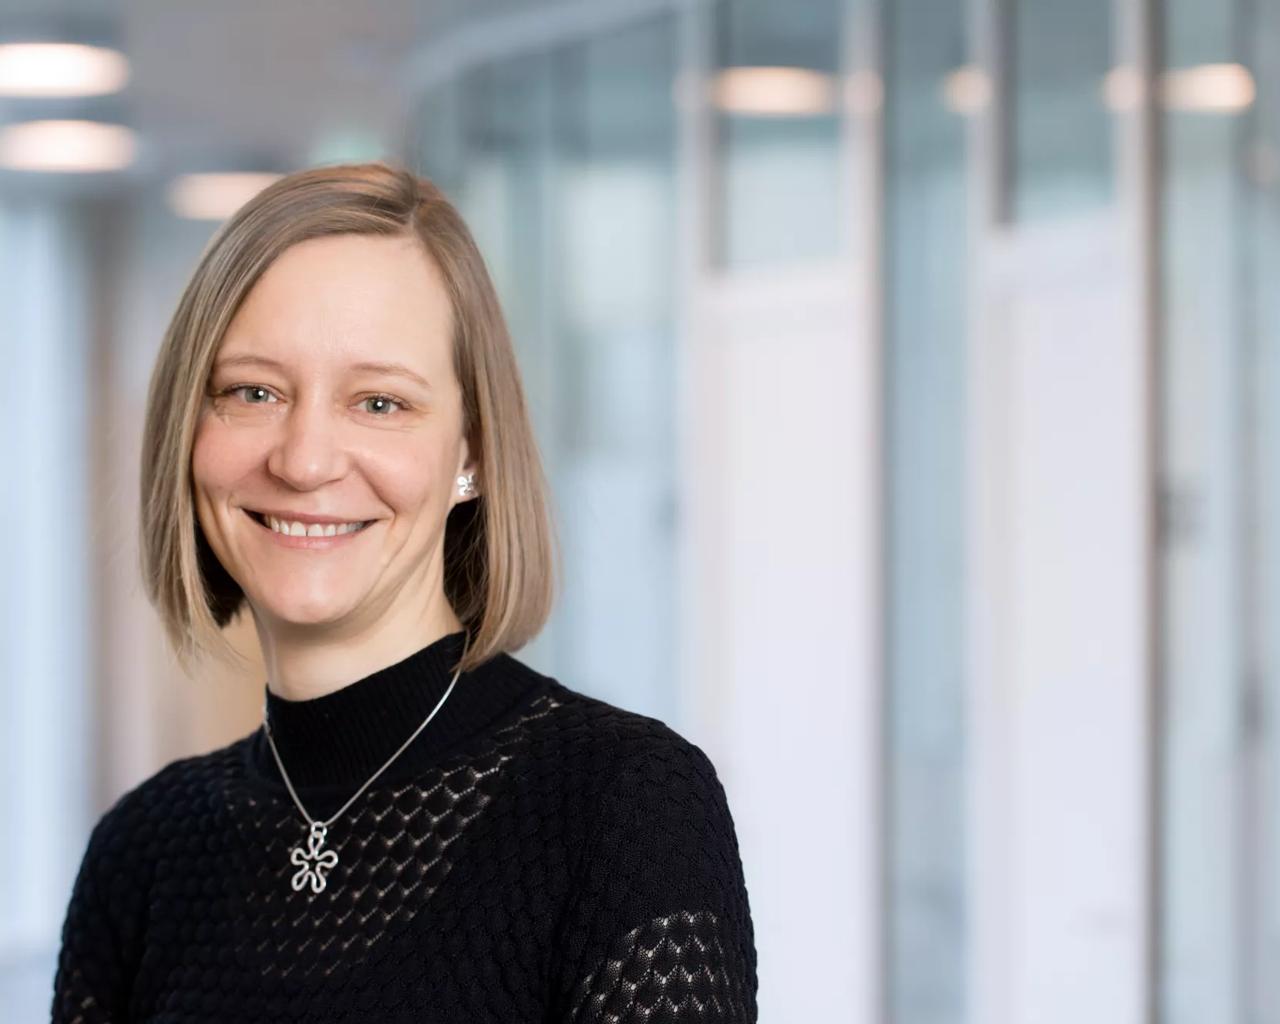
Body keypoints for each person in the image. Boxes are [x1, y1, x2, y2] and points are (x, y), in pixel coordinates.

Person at [49, 162, 758, 1023]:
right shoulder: (141, 855)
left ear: (475, 453)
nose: (304, 460)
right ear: (187, 431)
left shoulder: (622, 807)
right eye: (253, 392)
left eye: (379, 402)